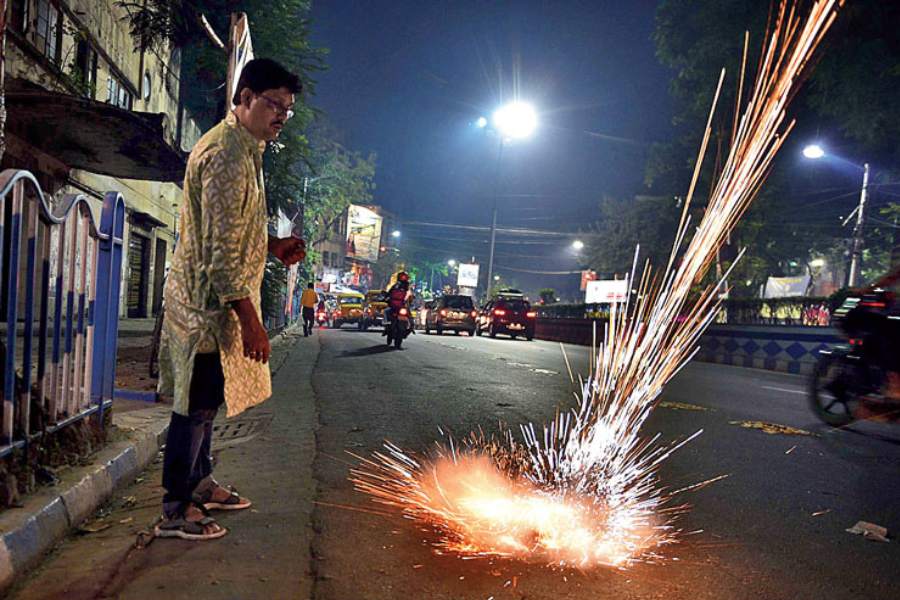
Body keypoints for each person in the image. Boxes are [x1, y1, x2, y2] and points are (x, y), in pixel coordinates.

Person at [156, 58, 306, 540]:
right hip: (204, 307)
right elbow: (219, 255)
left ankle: (199, 483)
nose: (281, 115)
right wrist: (252, 321)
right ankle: (175, 510)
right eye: (273, 104)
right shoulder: (224, 155)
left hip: (215, 305)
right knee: (193, 405)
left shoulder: (248, 151)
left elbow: (232, 234)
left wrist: (271, 247)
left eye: (288, 108)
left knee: (206, 402)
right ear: (244, 99)